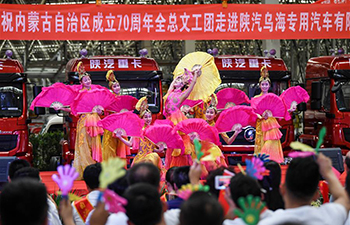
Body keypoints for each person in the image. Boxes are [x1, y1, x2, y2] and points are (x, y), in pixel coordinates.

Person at [258, 154, 349, 225]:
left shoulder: (267, 221)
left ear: (283, 189)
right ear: (316, 195)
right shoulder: (330, 218)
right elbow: (344, 198)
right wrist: (328, 172)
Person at [56, 62, 103, 179]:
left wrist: (99, 110)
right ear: (81, 83)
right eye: (85, 80)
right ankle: (88, 171)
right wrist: (61, 108)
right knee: (83, 146)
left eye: (89, 79)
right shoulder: (78, 95)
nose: (88, 81)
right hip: (84, 122)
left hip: (95, 122)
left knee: (95, 146)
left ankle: (96, 170)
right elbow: (73, 110)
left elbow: (102, 111)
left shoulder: (96, 93)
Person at [102, 70, 130, 162]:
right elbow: (106, 112)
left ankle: (121, 168)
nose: (117, 88)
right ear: (111, 88)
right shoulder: (110, 98)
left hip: (121, 124)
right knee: (110, 146)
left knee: (121, 146)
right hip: (111, 125)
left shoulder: (123, 98)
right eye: (114, 86)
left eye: (118, 86)